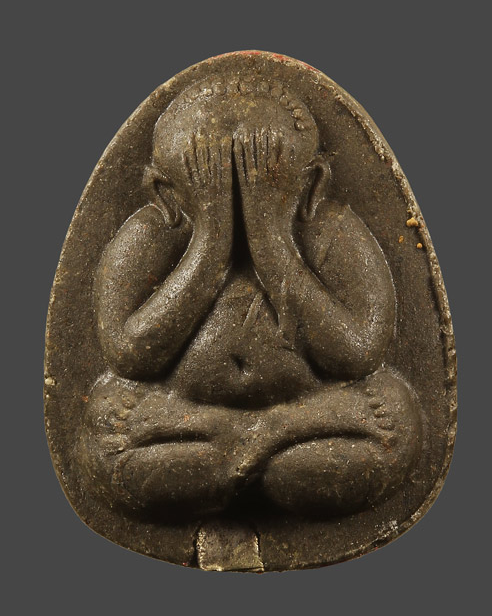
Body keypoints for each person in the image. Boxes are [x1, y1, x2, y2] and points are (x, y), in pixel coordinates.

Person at [78, 75, 421, 519]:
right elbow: (128, 356)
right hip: (187, 415)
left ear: (312, 184)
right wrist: (210, 241)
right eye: (214, 181)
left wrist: (269, 237)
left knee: (396, 417)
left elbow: (358, 355)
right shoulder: (151, 233)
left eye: (259, 180)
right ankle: (257, 446)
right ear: (165, 192)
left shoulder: (330, 230)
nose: (239, 200)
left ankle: (249, 446)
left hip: (304, 415)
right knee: (104, 431)